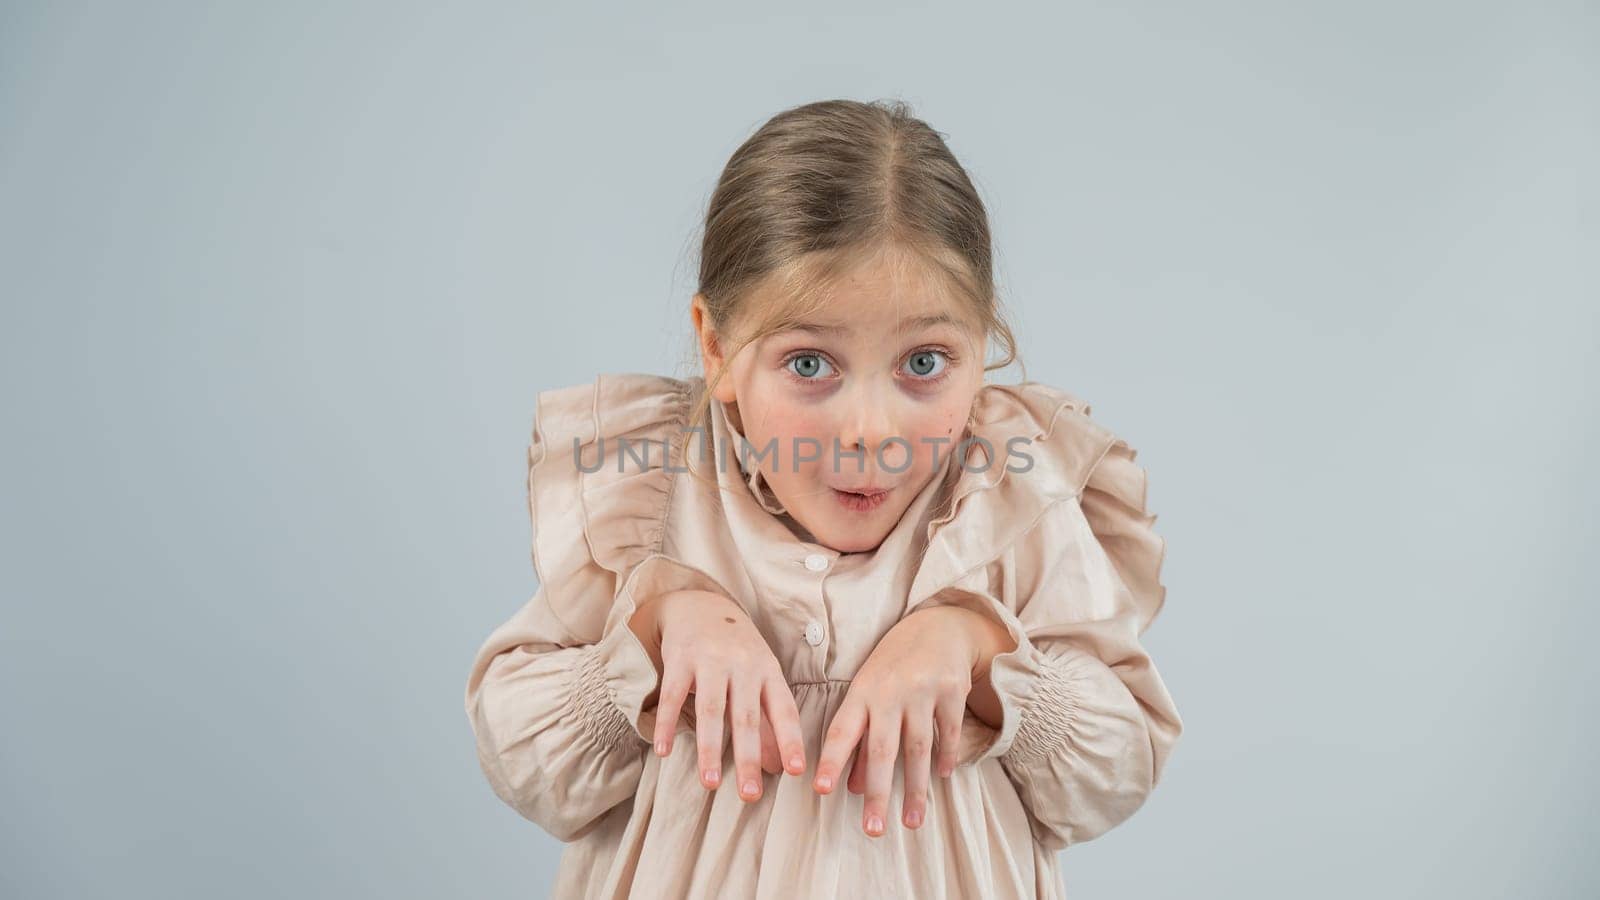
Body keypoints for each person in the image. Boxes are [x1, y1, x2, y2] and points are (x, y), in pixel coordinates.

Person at [463, 98, 1182, 899]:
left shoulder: (1011, 502)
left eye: (924, 363)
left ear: (982, 348)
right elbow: (528, 765)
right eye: (810, 365)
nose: (868, 431)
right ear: (716, 347)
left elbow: (1111, 778)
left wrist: (981, 654)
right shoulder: (655, 497)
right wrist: (654, 636)